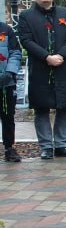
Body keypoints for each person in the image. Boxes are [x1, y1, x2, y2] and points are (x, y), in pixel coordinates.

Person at [16, 0, 66, 159]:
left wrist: (62, 54)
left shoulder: (65, 13)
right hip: (40, 67)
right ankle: (45, 146)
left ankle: (61, 144)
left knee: (64, 107)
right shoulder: (26, 16)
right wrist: (46, 57)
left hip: (63, 66)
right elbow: (26, 40)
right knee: (41, 108)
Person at [1, 16, 20, 162]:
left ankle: (9, 148)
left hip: (6, 83)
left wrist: (10, 72)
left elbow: (15, 52)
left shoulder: (6, 30)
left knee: (8, 117)